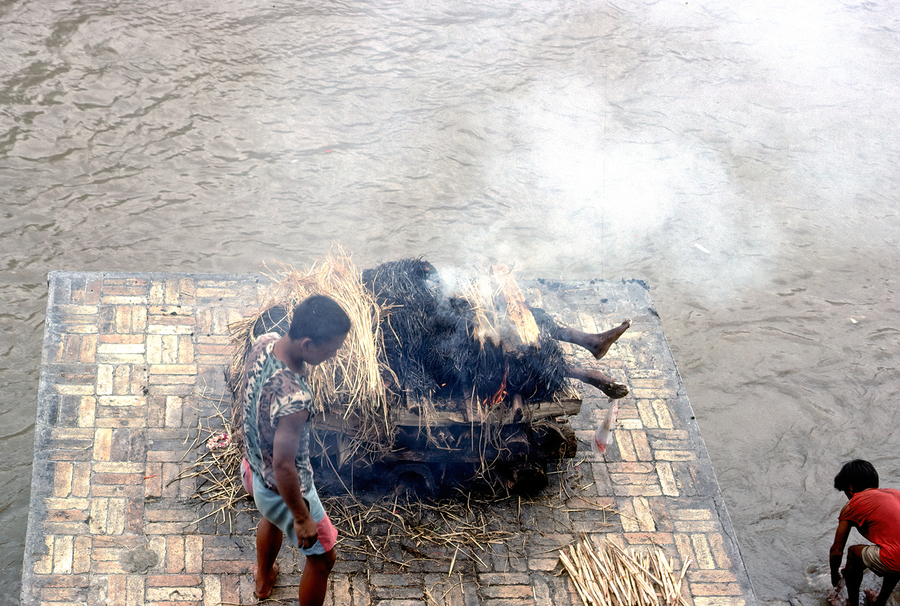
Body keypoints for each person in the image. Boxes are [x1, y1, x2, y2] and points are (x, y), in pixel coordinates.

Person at [240, 295, 351, 604]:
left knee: (271, 518)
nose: (334, 355)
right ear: (307, 345)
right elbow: (284, 467)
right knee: (322, 559)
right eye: (332, 348)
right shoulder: (295, 400)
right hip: (285, 490)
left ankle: (263, 579)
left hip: (252, 469)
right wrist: (301, 517)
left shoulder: (264, 342)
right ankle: (268, 575)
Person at [829, 459, 900, 606]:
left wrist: (834, 577)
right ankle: (880, 601)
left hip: (896, 559)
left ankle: (852, 603)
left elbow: (836, 550)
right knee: (892, 548)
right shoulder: (894, 494)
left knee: (853, 553)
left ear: (850, 488)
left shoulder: (853, 505)